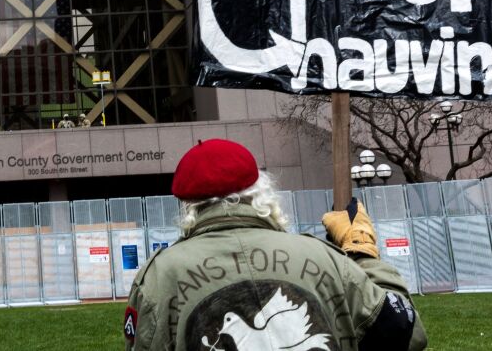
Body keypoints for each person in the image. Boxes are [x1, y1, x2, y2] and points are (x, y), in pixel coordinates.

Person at [124, 139, 427, 351]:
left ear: (188, 206)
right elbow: (405, 334)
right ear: (260, 190)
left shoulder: (159, 276)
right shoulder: (322, 258)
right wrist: (362, 253)